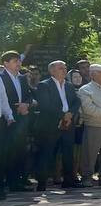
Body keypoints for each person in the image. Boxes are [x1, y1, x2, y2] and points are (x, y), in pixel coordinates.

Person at [32, 60, 80, 191]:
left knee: (68, 152)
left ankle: (68, 180)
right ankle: (42, 182)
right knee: (47, 152)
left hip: (68, 123)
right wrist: (62, 115)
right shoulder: (44, 85)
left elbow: (76, 101)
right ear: (52, 71)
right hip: (50, 124)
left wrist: (70, 114)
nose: (64, 70)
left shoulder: (69, 85)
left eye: (65, 68)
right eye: (61, 68)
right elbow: (45, 104)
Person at [1, 50, 35, 193]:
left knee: (19, 151)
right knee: (6, 151)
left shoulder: (22, 78)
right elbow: (3, 99)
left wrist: (25, 104)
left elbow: (29, 95)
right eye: (15, 61)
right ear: (5, 63)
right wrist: (16, 107)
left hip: (22, 119)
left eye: (19, 61)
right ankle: (5, 181)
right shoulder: (1, 78)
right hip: (6, 120)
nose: (19, 64)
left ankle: (16, 182)